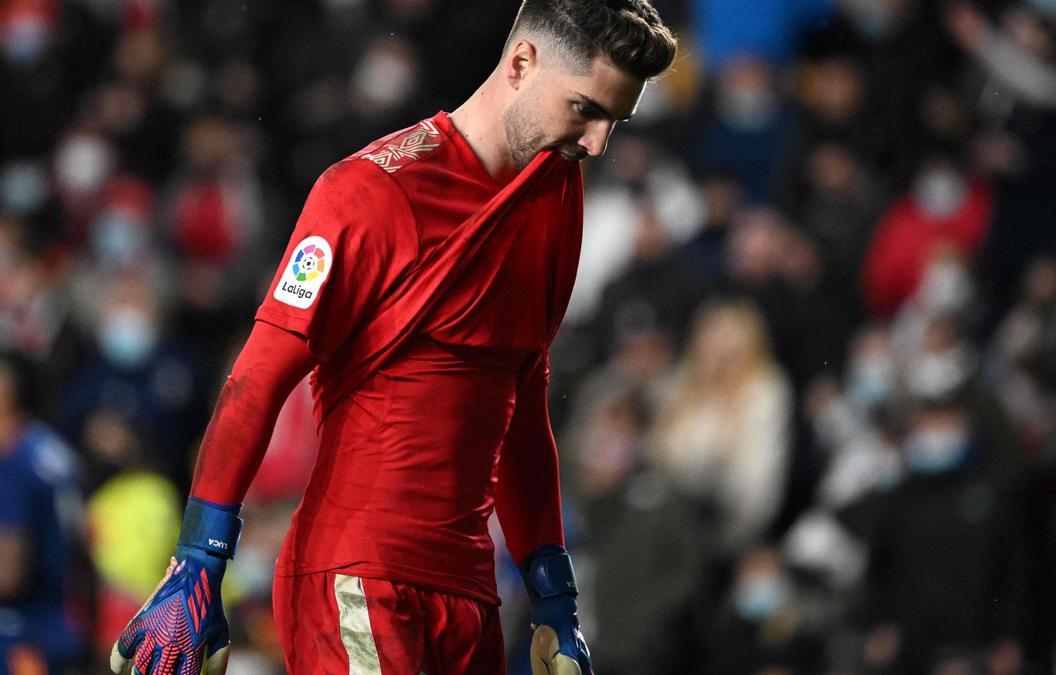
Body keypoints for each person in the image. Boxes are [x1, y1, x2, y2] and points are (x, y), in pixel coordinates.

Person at [109, 2, 677, 674]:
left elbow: (522, 406)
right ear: (522, 62)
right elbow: (255, 378)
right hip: (355, 578)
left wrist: (554, 597)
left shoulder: (555, 197)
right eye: (585, 109)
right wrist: (200, 558)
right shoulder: (368, 192)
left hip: (470, 596)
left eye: (616, 120)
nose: (596, 143)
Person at [0, 351, 86, 675]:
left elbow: (8, 575)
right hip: (65, 627)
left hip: (21, 636)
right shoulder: (52, 451)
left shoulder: (13, 464)